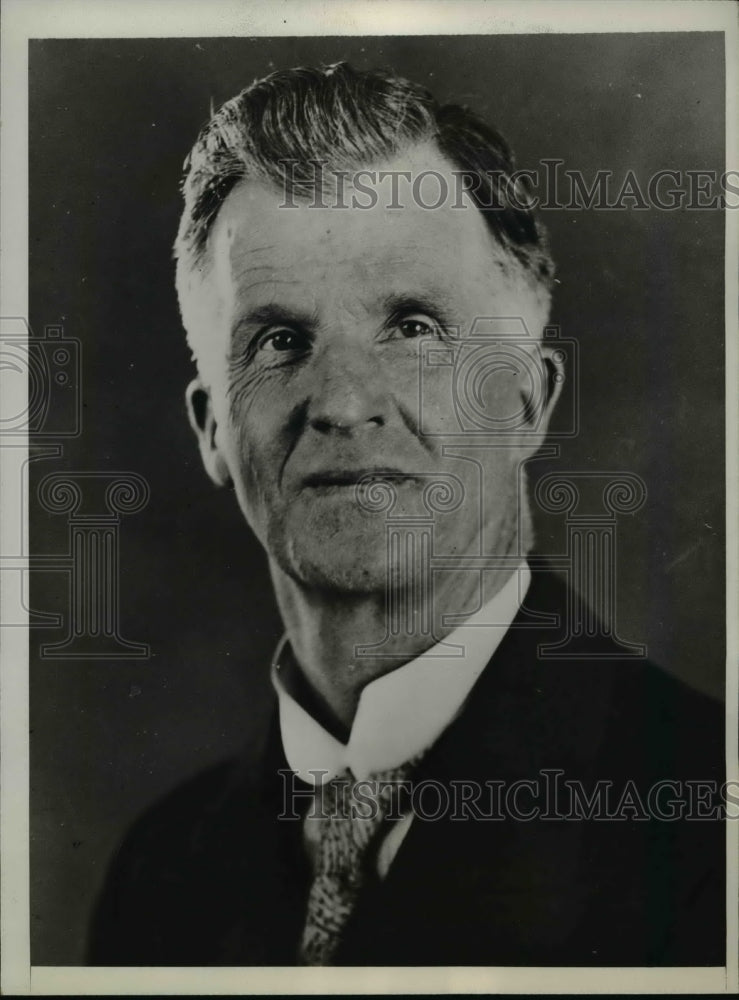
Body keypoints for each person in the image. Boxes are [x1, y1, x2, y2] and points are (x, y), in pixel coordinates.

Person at [87, 63, 725, 967]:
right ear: (211, 432)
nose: (343, 401)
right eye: (279, 341)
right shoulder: (157, 873)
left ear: (527, 402)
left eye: (413, 327)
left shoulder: (705, 819)